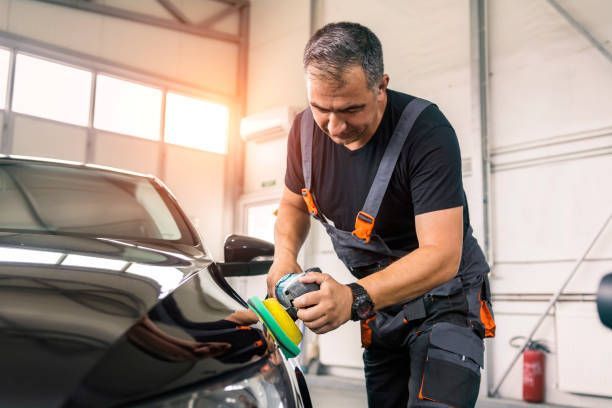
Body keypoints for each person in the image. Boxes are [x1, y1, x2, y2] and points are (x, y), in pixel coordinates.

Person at [266, 21, 495, 407]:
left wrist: (353, 297)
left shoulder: (427, 132)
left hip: (447, 300)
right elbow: (292, 203)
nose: (335, 127)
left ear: (381, 85)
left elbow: (442, 255)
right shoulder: (304, 132)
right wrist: (284, 257)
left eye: (351, 109)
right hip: (383, 309)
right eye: (321, 108)